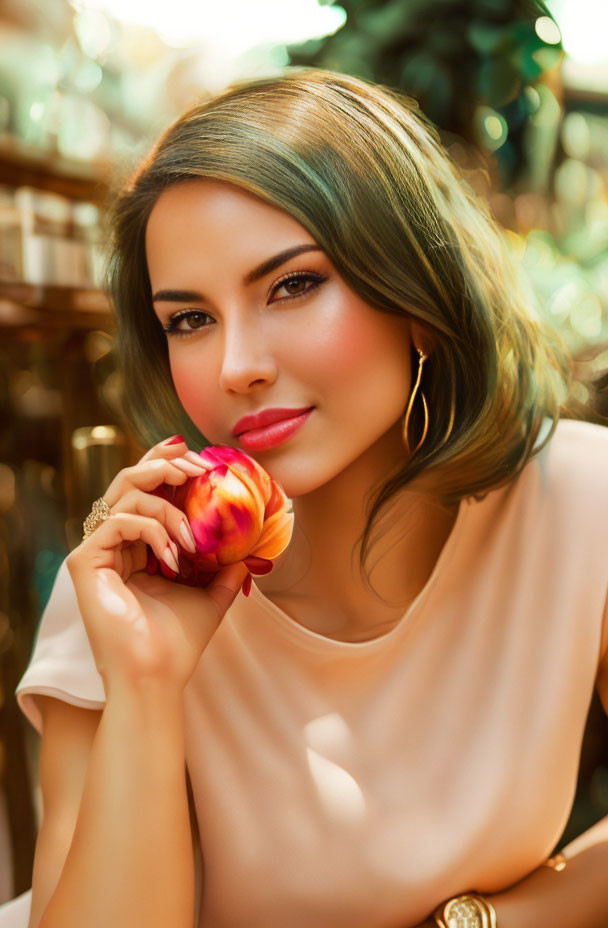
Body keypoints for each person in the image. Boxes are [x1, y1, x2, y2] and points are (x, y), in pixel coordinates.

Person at [14, 67, 608, 928]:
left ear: (418, 289)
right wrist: (145, 684)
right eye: (189, 319)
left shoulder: (579, 502)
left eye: (292, 285)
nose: (235, 367)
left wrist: (492, 922)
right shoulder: (129, 583)